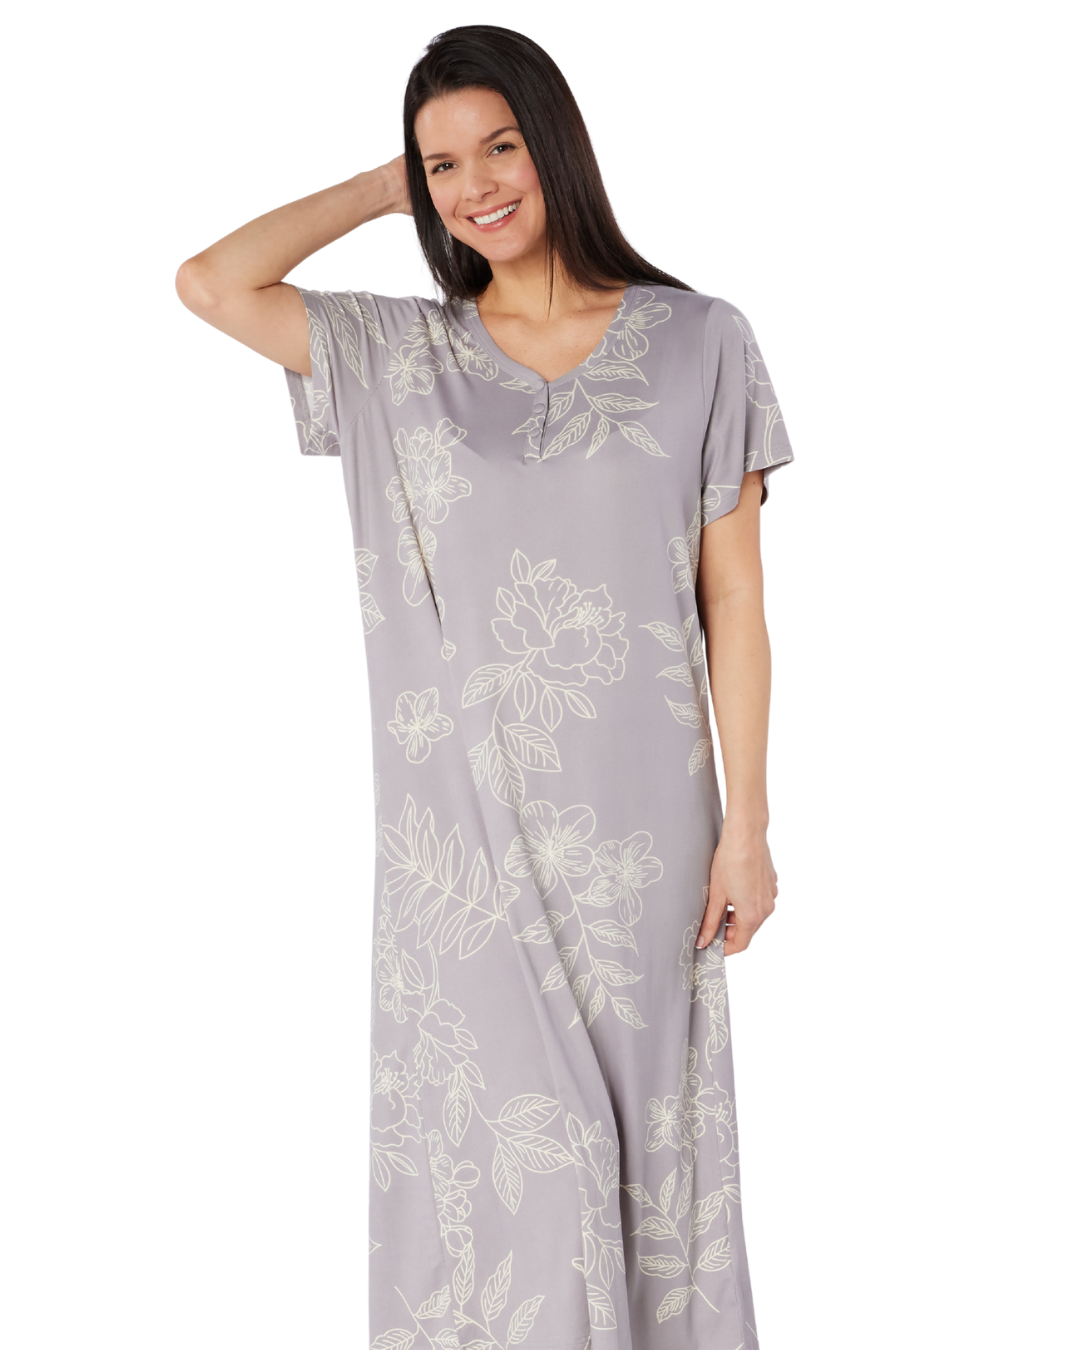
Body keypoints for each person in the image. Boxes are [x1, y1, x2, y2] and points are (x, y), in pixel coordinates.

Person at [175, 25, 791, 1350]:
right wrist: (377, 188)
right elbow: (210, 281)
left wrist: (747, 824)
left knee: (644, 1160)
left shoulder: (702, 339)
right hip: (460, 851)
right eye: (443, 164)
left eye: (500, 147)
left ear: (557, 142)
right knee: (512, 1163)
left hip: (643, 842)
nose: (477, 186)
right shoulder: (402, 353)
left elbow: (734, 598)